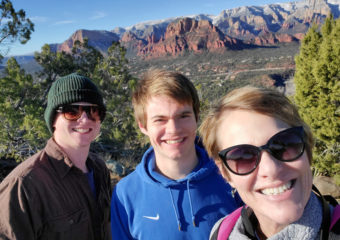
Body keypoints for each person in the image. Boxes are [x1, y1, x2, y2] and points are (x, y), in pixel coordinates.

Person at [110, 69, 242, 240]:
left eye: (183, 115)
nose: (174, 129)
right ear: (143, 126)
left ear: (196, 117)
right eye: (160, 120)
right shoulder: (126, 193)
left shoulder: (232, 176)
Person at [199, 86, 339, 240]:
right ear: (226, 174)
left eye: (285, 144)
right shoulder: (221, 232)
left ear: (307, 148)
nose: (271, 169)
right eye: (243, 156)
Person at [0, 73, 112, 240]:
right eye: (72, 111)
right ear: (53, 119)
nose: (84, 119)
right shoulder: (23, 186)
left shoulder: (99, 169)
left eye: (93, 111)